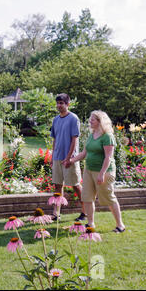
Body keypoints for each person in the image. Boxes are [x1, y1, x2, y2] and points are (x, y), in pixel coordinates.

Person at [68, 110, 126, 233]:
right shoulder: (91, 135)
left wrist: (102, 173)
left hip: (104, 171)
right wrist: (71, 160)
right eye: (90, 119)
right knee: (87, 197)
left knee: (109, 197)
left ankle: (120, 225)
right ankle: (90, 224)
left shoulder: (107, 136)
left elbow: (108, 157)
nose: (90, 121)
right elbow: (84, 153)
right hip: (89, 170)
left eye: (92, 119)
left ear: (100, 121)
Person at [50, 93, 85, 221]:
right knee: (58, 186)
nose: (59, 105)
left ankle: (85, 211)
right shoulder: (55, 120)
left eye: (62, 103)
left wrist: (69, 158)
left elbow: (74, 140)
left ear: (67, 104)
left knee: (75, 185)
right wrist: (52, 156)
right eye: (58, 103)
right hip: (57, 157)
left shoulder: (73, 118)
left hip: (70, 159)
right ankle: (56, 213)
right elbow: (54, 140)